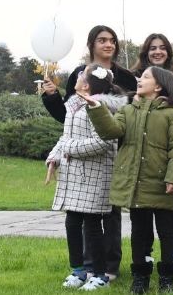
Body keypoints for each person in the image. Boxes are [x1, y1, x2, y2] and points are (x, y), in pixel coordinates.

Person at [82, 66, 173, 295]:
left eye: (146, 77)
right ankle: (140, 278)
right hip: (136, 186)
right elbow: (111, 130)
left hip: (162, 185)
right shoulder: (128, 111)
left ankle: (167, 278)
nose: (140, 79)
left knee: (167, 233)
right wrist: (96, 108)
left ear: (158, 86)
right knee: (139, 233)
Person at [41, 24, 135, 280]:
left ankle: (108, 267)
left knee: (108, 215)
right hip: (79, 167)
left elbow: (120, 124)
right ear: (92, 44)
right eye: (102, 40)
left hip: (109, 158)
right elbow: (68, 120)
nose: (108, 44)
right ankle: (86, 266)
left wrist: (69, 148)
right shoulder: (78, 77)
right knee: (80, 220)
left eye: (112, 40)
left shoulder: (125, 78)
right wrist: (52, 96)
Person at [47, 66, 123, 291]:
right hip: (74, 177)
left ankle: (100, 275)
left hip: (94, 176)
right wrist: (54, 157)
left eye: (81, 76)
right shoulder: (72, 106)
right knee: (72, 222)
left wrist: (69, 148)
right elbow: (65, 137)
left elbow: (104, 142)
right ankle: (78, 270)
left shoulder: (98, 108)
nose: (76, 78)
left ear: (86, 85)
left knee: (92, 225)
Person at [132, 32, 173, 272]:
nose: (157, 51)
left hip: (167, 154)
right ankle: (144, 255)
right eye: (152, 48)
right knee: (142, 218)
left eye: (162, 47)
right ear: (145, 52)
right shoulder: (136, 81)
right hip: (142, 160)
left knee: (169, 213)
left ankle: (171, 255)